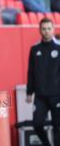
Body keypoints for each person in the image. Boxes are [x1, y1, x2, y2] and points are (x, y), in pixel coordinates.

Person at [26, 18, 60, 146]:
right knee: (37, 124)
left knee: (57, 126)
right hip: (40, 96)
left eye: (49, 28)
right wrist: (29, 92)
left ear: (53, 29)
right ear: (40, 30)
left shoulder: (59, 48)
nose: (46, 31)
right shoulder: (35, 49)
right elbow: (31, 72)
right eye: (44, 29)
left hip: (57, 95)